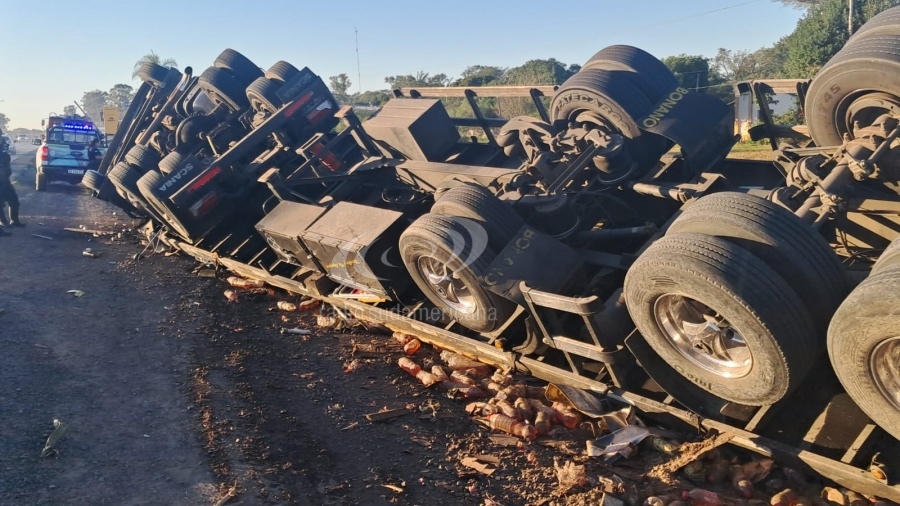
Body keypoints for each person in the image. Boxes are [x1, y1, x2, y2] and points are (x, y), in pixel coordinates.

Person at [0, 147, 19, 235]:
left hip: (5, 180)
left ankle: (14, 220)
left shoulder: (2, 142)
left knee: (14, 199)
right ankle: (3, 223)